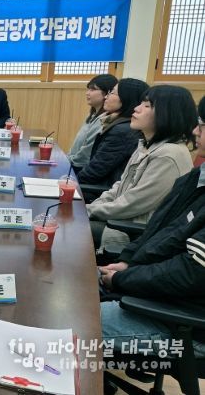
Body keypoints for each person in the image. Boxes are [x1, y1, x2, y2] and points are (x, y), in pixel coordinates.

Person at [98, 96, 205, 360]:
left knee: (71, 318)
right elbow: (159, 230)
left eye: (202, 126)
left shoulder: (171, 156)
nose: (195, 131)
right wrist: (127, 262)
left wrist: (123, 278)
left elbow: (189, 273)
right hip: (157, 297)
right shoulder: (197, 177)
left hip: (182, 322)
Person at [88, 85, 196, 252]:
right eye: (140, 103)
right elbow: (119, 186)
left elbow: (132, 204)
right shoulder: (146, 145)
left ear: (168, 114)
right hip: (118, 220)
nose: (136, 109)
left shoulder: (169, 155)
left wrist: (90, 211)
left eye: (147, 105)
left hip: (131, 233)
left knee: (66, 226)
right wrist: (93, 207)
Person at [76, 78, 149, 191]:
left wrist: (72, 182)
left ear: (126, 98)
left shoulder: (123, 131)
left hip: (102, 191)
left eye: (112, 93)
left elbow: (95, 171)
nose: (106, 97)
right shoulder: (117, 123)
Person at [69, 74, 118, 170]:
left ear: (107, 93)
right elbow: (77, 146)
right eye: (88, 89)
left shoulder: (104, 120)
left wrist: (67, 162)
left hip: (80, 168)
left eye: (93, 89)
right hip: (73, 164)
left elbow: (86, 154)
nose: (87, 93)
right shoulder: (92, 115)